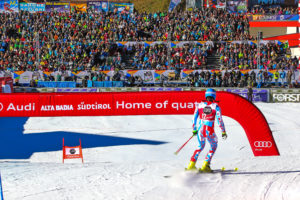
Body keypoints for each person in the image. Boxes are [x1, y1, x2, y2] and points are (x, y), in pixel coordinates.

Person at [186, 89, 227, 172]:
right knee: (213, 146)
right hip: (209, 130)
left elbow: (194, 118)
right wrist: (223, 131)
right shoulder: (216, 107)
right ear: (214, 96)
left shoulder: (199, 105)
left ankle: (191, 165)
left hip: (200, 129)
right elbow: (220, 120)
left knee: (200, 146)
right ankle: (205, 166)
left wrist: (194, 129)